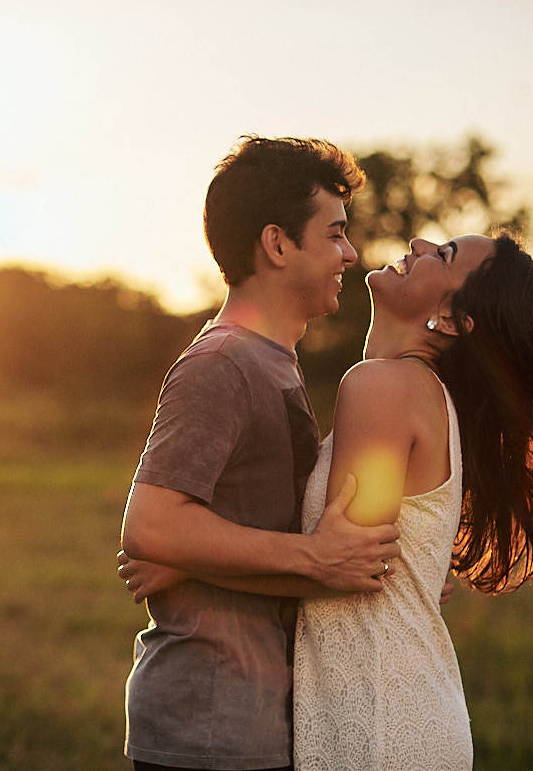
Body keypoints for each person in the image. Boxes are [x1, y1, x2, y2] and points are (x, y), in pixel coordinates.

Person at [121, 232, 533, 770]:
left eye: (444, 255)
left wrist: (186, 564)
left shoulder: (382, 386)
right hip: (386, 704)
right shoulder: (414, 392)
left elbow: (342, 569)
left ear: (453, 319)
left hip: (381, 718)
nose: (420, 241)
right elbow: (345, 562)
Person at [119, 136, 403, 771]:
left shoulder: (273, 363)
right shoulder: (222, 364)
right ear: (278, 244)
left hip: (254, 722)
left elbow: (229, 530)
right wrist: (315, 557)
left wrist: (195, 564)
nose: (350, 255)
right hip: (208, 729)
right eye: (334, 235)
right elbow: (151, 525)